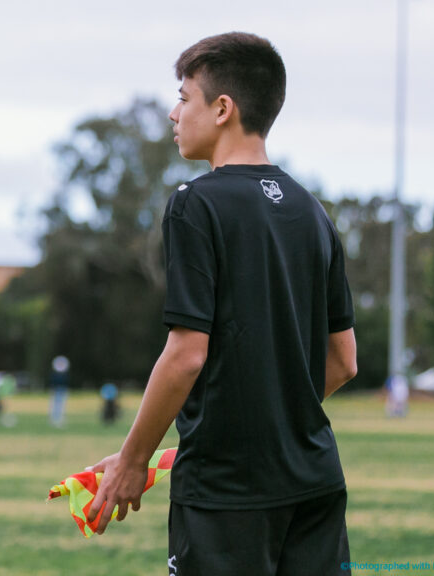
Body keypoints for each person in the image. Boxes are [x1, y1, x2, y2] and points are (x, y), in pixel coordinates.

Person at [85, 32, 357, 576]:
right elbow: (344, 361)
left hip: (227, 494)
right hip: (317, 481)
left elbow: (186, 355)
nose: (173, 112)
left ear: (223, 109)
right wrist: (264, 424)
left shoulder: (196, 203)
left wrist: (134, 460)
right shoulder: (313, 210)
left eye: (184, 98)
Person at [49, 355, 70, 428]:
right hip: (56, 391)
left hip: (62, 390)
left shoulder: (64, 375)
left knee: (61, 406)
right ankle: (54, 419)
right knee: (55, 406)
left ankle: (60, 419)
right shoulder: (55, 374)